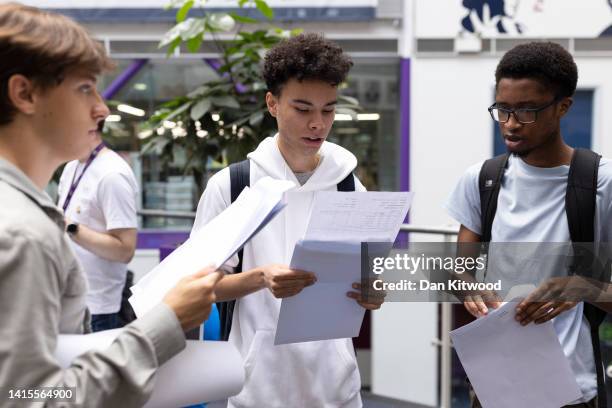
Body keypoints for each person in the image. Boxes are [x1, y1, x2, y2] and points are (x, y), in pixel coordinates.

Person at [0, 3, 221, 406]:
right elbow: (28, 398)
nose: (101, 109)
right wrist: (165, 325)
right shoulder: (22, 234)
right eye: (85, 88)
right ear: (25, 93)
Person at [191, 33, 384, 408]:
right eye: (303, 109)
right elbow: (201, 287)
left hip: (336, 388)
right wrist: (260, 278)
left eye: (328, 110)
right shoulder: (233, 186)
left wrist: (372, 294)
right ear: (273, 104)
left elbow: (367, 281)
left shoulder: (349, 186)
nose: (318, 124)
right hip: (257, 389)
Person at [446, 41, 612, 407]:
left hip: (570, 390)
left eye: (526, 111)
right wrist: (470, 290)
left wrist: (583, 288)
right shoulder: (481, 179)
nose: (510, 124)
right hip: (493, 386)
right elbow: (459, 272)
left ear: (563, 107)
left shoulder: (601, 183)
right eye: (502, 109)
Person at [58, 125, 139, 332]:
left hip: (98, 309)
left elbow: (124, 250)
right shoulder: (72, 167)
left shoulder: (112, 174)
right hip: (68, 299)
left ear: (90, 128)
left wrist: (69, 227)